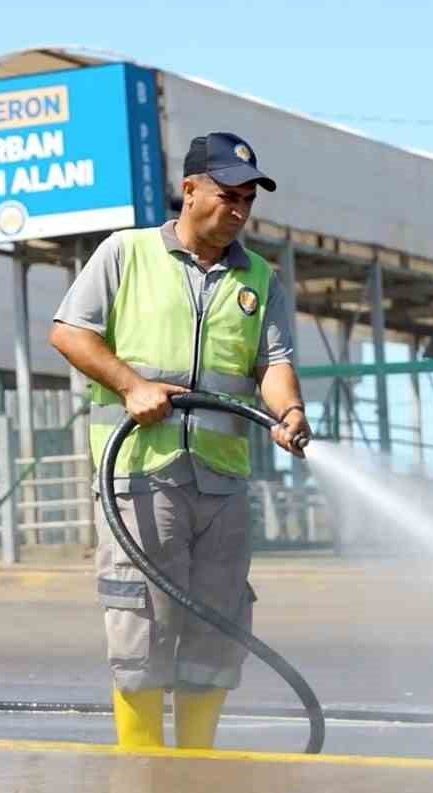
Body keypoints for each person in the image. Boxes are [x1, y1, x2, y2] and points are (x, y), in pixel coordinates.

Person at [50, 132, 311, 749]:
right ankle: (142, 764)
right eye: (227, 196)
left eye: (248, 199)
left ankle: (198, 762)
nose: (239, 211)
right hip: (141, 473)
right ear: (190, 190)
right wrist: (131, 385)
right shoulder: (127, 253)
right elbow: (68, 332)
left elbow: (272, 364)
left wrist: (290, 409)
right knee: (142, 622)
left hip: (220, 480)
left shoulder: (258, 277)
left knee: (217, 626)